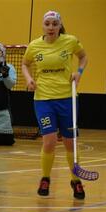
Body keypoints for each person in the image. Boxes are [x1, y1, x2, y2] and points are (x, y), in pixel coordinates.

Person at [22, 10, 88, 199]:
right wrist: (28, 79)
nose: (51, 27)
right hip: (43, 99)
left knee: (70, 143)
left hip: (67, 98)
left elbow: (83, 57)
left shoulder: (70, 41)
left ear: (60, 26)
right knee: (49, 141)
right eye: (47, 24)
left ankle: (76, 180)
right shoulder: (34, 46)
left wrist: (79, 72)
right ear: (43, 26)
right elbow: (25, 64)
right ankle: (45, 178)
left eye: (54, 24)